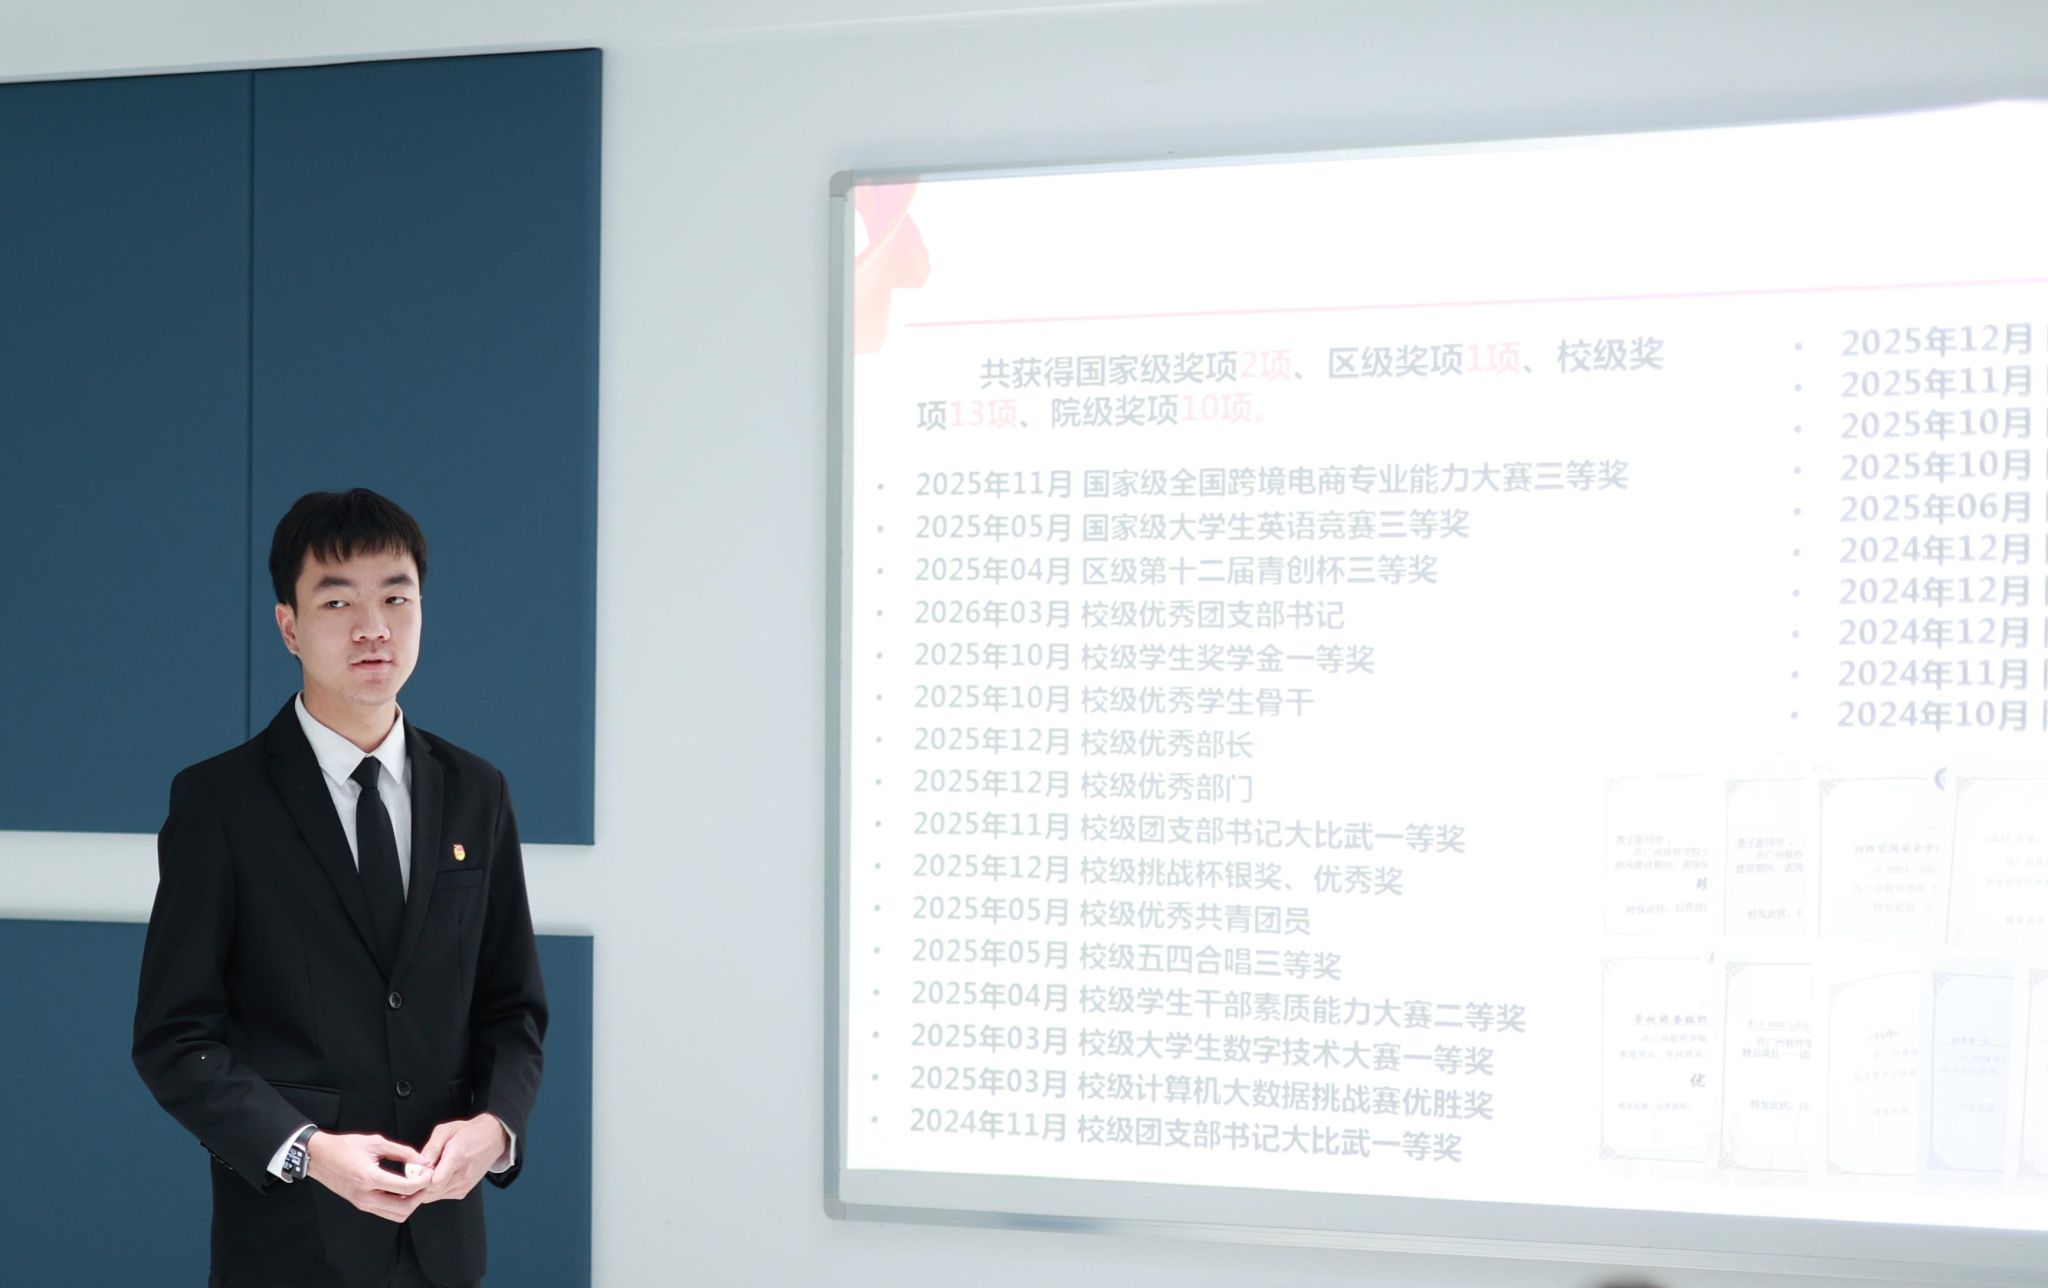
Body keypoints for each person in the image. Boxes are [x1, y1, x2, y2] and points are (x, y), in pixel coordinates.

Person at [133, 488, 547, 1288]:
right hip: (289, 1245)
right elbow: (174, 1037)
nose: (373, 626)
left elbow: (513, 1007)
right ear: (288, 625)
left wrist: (496, 1128)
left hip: (443, 1245)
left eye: (396, 597)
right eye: (337, 601)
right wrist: (309, 1152)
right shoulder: (220, 803)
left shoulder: (477, 791)